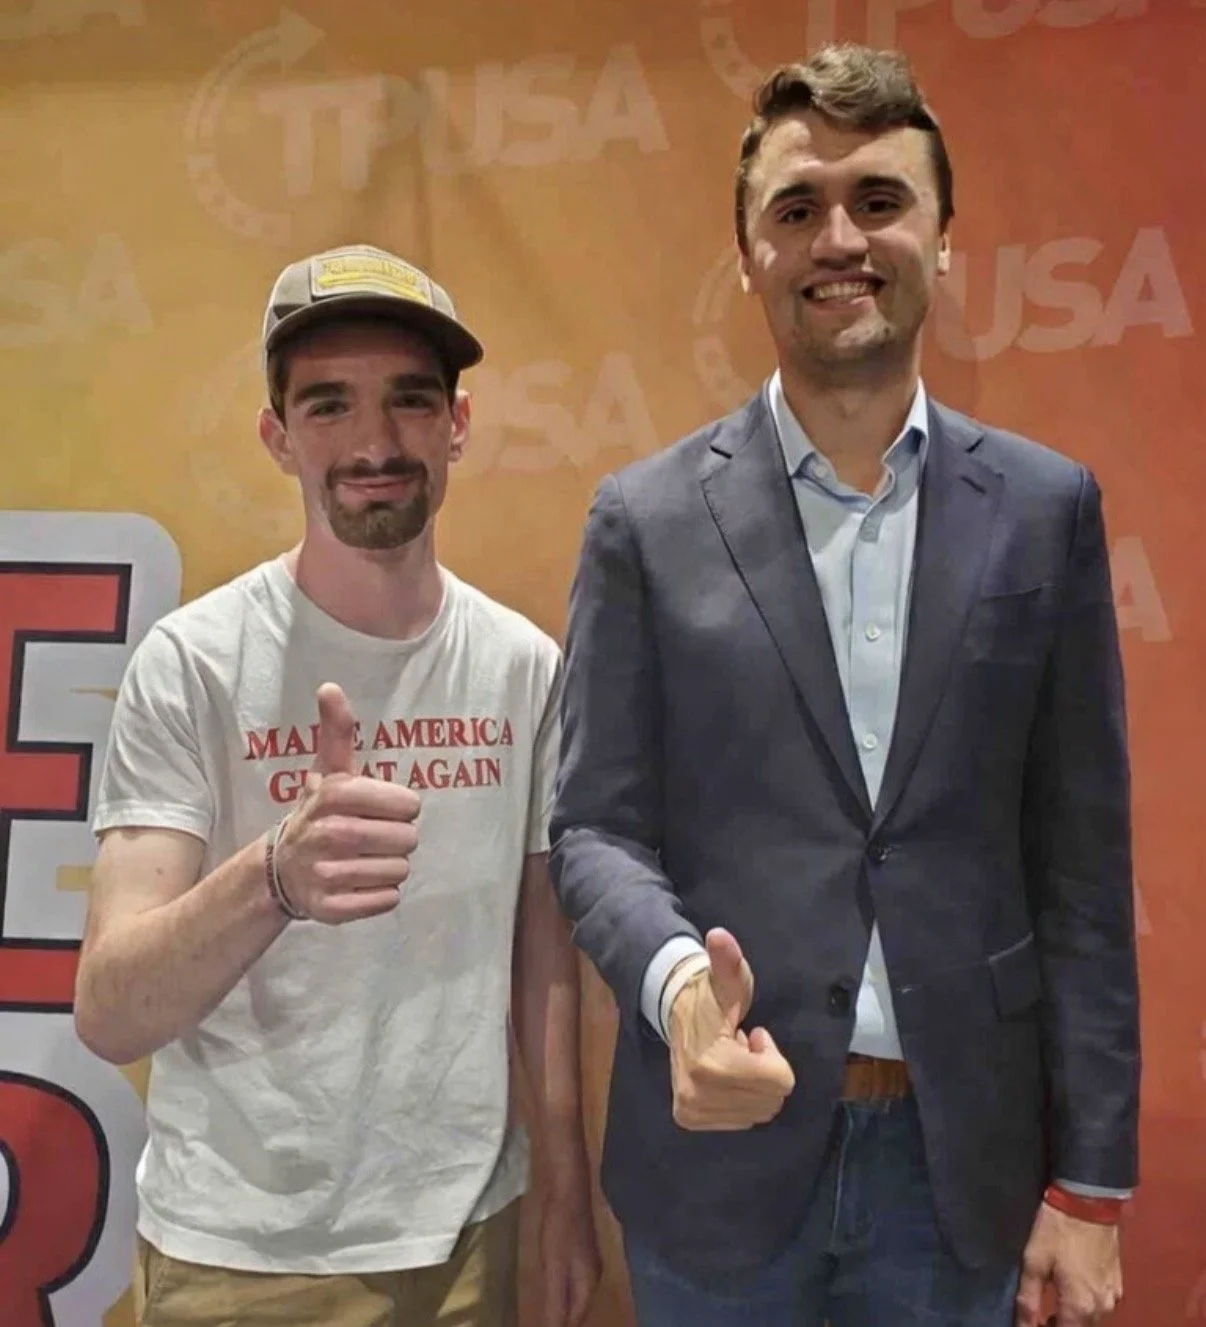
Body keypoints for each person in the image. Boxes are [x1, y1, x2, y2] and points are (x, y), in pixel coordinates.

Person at [549, 44, 1138, 1327]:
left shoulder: (1046, 510)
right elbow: (592, 825)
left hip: (961, 1174)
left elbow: (1083, 868)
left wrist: (1090, 1186)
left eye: (879, 200)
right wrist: (678, 989)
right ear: (749, 250)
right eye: (798, 208)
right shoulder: (643, 521)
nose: (840, 238)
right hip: (716, 1174)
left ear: (942, 235)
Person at [73, 243, 601, 1327]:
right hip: (244, 1260)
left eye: (410, 401)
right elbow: (111, 1007)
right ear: (277, 436)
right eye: (329, 406)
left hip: (473, 1240)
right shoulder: (194, 664)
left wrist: (563, 1193)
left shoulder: (524, 668)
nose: (374, 443)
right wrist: (272, 876)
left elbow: (544, 961)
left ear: (458, 423)